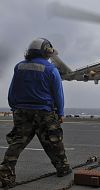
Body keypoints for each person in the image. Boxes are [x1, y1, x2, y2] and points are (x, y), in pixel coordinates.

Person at [0, 38, 72, 188]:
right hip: (44, 112)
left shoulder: (18, 67)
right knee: (53, 141)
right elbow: (58, 94)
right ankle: (63, 167)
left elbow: (13, 90)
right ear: (47, 51)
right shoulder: (51, 69)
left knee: (17, 142)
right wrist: (60, 113)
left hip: (21, 111)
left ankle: (5, 175)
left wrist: (14, 107)